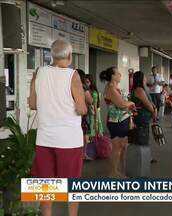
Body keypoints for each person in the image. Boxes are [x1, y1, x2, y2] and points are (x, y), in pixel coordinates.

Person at [28, 39, 87, 216]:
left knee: (46, 185)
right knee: (71, 185)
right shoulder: (73, 75)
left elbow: (32, 104)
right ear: (69, 56)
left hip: (45, 138)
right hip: (68, 141)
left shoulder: (39, 72)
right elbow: (81, 108)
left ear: (52, 55)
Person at [100, 67, 135, 174]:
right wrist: (131, 103)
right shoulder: (111, 88)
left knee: (123, 147)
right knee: (117, 148)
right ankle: (113, 172)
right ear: (112, 76)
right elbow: (121, 104)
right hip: (116, 122)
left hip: (123, 120)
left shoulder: (115, 88)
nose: (120, 74)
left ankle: (121, 170)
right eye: (118, 73)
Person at [129, 71, 158, 175]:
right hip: (142, 118)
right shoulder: (139, 90)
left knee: (143, 137)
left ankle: (146, 157)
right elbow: (147, 104)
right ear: (141, 79)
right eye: (144, 77)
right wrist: (153, 111)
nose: (146, 79)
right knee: (142, 138)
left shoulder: (139, 89)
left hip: (142, 118)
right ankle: (143, 159)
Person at [76, 69, 94, 160]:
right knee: (84, 133)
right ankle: (83, 154)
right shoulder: (83, 87)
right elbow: (90, 100)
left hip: (72, 114)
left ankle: (78, 154)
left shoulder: (68, 86)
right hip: (82, 114)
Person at [85, 74, 104, 139]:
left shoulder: (94, 93)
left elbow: (95, 108)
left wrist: (96, 122)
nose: (86, 84)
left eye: (88, 82)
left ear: (91, 82)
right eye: (85, 82)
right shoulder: (86, 91)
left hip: (93, 116)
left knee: (93, 136)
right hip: (88, 115)